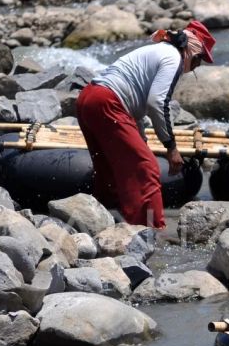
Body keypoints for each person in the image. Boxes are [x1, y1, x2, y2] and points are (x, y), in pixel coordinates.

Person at [76, 20, 216, 228]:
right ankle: (150, 232)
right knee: (146, 169)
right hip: (108, 102)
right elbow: (156, 102)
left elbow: (136, 106)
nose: (196, 66)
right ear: (190, 50)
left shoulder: (157, 50)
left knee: (108, 170)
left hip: (88, 99)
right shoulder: (172, 58)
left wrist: (140, 140)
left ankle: (99, 225)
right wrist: (171, 148)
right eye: (199, 60)